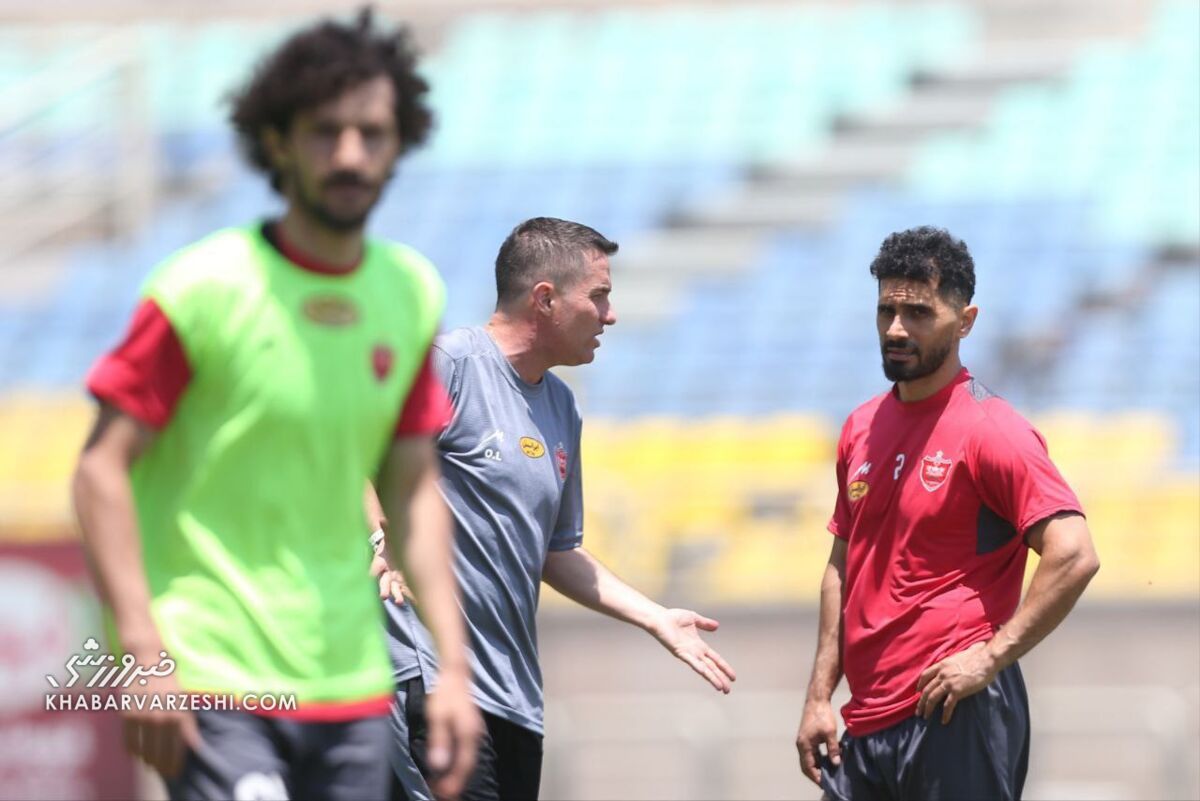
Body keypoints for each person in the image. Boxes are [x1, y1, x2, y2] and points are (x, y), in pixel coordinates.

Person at [71, 10, 481, 800]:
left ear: (400, 143)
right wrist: (143, 652)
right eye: (325, 132)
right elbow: (100, 471)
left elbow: (412, 486)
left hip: (352, 681)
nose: (350, 154)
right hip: (215, 673)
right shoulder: (202, 289)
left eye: (372, 133)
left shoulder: (408, 293)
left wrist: (455, 670)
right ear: (277, 142)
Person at [374, 217, 738, 801]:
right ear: (545, 299)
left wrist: (655, 618)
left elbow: (557, 552)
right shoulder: (452, 364)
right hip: (435, 683)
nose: (610, 315)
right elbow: (352, 450)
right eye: (599, 296)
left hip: (515, 699)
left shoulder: (562, 406)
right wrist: (381, 538)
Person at [794, 226, 1101, 801]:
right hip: (866, 720)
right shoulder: (861, 427)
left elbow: (1075, 554)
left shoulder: (992, 430)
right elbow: (842, 566)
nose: (896, 329)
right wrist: (818, 696)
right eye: (886, 310)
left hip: (954, 708)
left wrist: (989, 659)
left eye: (918, 313)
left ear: (965, 321)